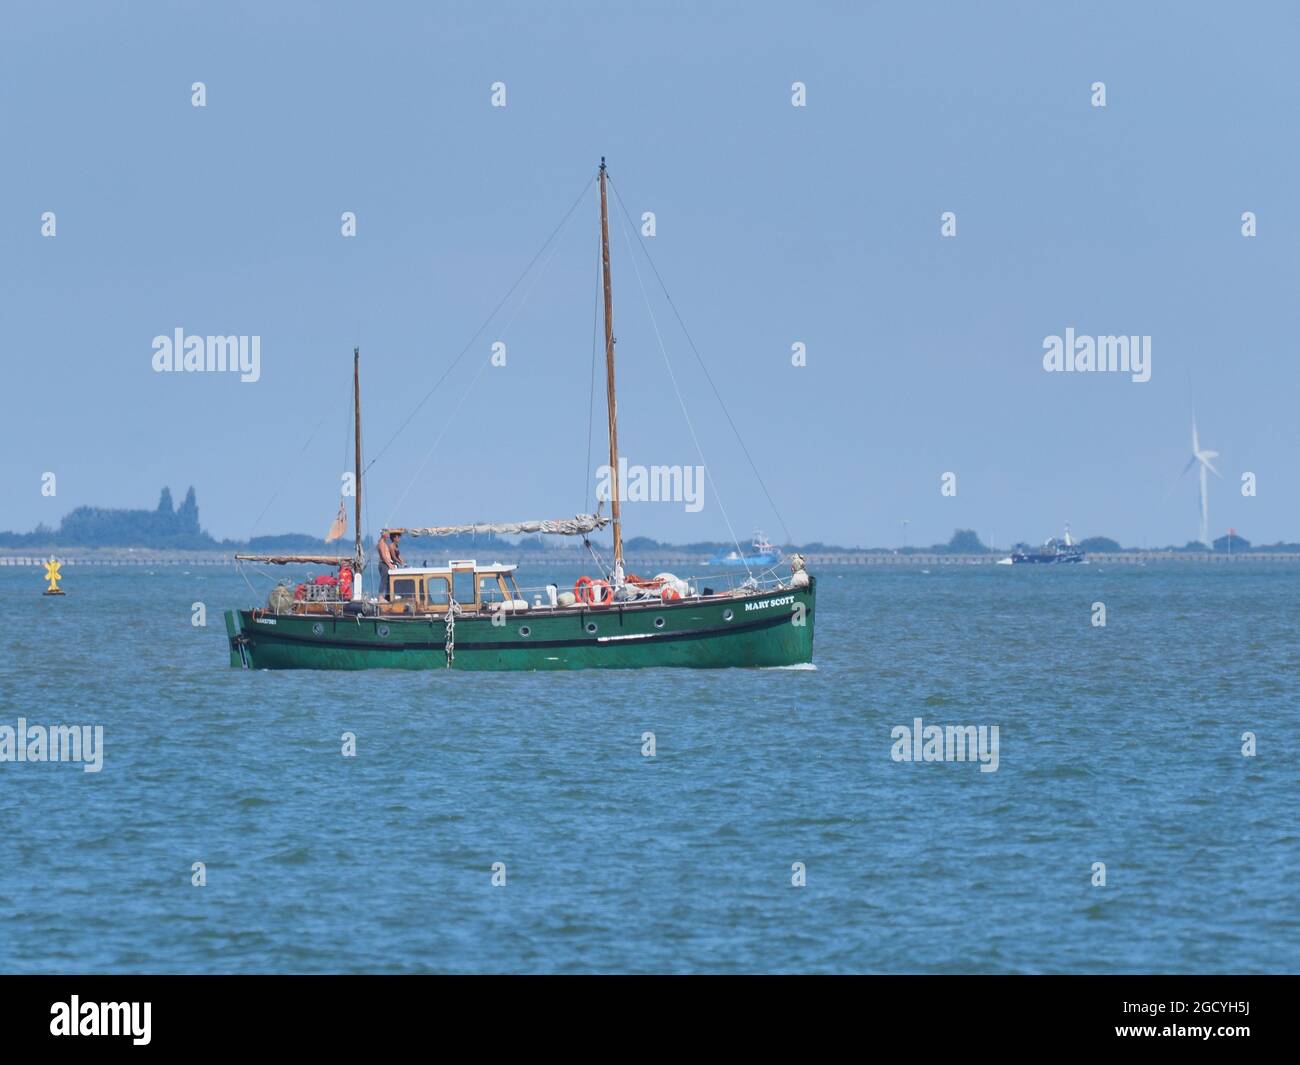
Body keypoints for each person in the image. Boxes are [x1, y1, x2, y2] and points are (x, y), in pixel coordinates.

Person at [377, 531, 405, 600]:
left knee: (388, 580)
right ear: (383, 535)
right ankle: (380, 596)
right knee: (384, 580)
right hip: (384, 564)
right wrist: (389, 564)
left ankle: (388, 595)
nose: (388, 536)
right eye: (387, 534)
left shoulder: (384, 543)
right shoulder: (381, 543)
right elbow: (383, 556)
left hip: (387, 563)